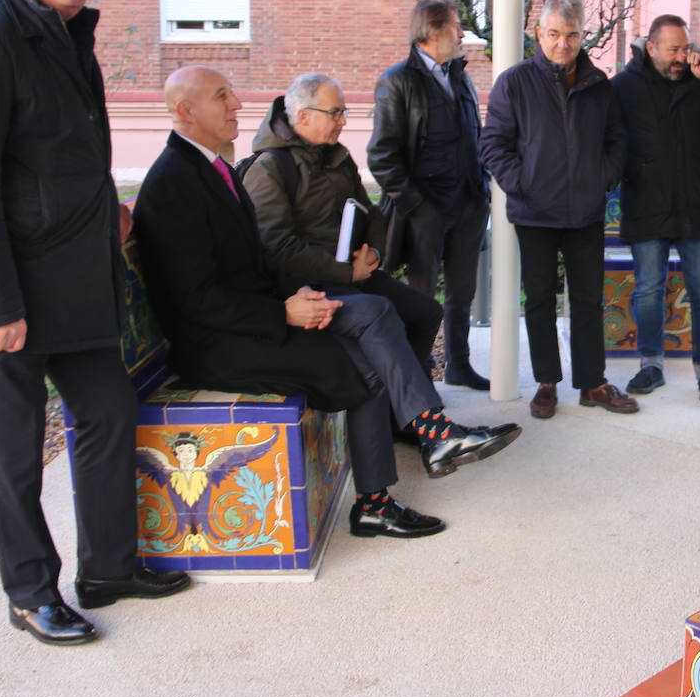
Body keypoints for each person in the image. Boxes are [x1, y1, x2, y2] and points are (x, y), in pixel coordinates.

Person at [0, 0, 190, 646]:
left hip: (72, 278)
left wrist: (109, 209)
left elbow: (59, 152)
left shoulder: (67, 32)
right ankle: (29, 592)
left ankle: (107, 566)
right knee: (13, 454)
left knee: (107, 412)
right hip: (4, 290)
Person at [134, 66, 522, 542]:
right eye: (223, 96)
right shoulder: (175, 181)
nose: (237, 104)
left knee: (377, 325)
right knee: (365, 356)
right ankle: (420, 448)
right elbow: (194, 299)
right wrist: (283, 310)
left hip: (257, 315)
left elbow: (256, 260)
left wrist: (297, 293)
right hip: (221, 344)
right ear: (185, 112)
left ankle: (403, 468)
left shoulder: (210, 169)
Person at [480, 0, 636, 419]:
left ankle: (592, 382)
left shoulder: (598, 85)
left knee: (587, 299)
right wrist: (522, 184)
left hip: (584, 210)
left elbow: (616, 140)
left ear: (582, 36)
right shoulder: (514, 82)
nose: (562, 44)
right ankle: (546, 383)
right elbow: (493, 144)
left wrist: (604, 177)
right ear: (538, 35)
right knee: (540, 300)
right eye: (553, 34)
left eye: (570, 35)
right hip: (535, 213)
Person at [241, 72, 442, 373]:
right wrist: (346, 273)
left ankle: (407, 403)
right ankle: (406, 405)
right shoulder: (270, 168)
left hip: (354, 272)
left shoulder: (337, 156)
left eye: (343, 112)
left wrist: (373, 252)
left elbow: (370, 212)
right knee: (382, 314)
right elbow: (277, 245)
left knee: (425, 311)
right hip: (310, 284)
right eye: (335, 112)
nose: (343, 121)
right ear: (303, 116)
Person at [610, 14, 700, 404]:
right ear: (651, 48)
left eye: (685, 48)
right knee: (648, 291)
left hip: (697, 203)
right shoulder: (622, 87)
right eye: (673, 50)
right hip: (646, 204)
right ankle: (650, 365)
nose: (681, 58)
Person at [368, 0, 491, 390]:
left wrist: (484, 186)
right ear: (434, 32)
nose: (462, 34)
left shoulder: (461, 75)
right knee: (421, 297)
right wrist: (418, 207)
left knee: (462, 293)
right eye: (457, 25)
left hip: (468, 206)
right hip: (424, 212)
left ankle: (459, 365)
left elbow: (476, 136)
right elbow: (382, 156)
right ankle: (419, 376)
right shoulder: (397, 81)